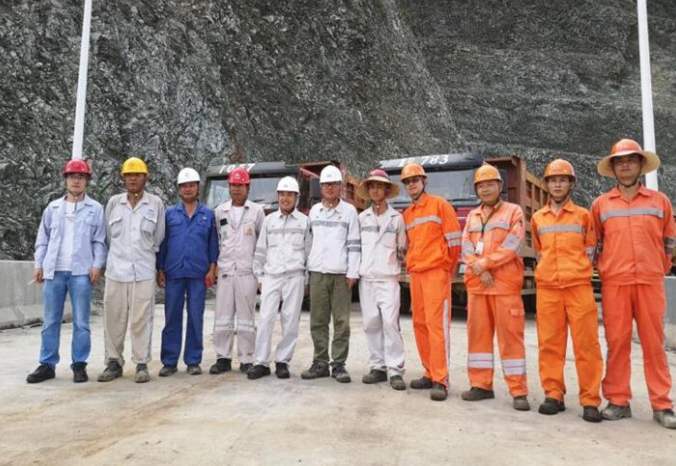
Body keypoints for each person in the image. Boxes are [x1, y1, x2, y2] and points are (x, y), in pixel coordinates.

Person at [591, 138, 676, 429]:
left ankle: (662, 404)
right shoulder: (600, 205)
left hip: (650, 281)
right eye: (620, 161)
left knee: (654, 344)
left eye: (630, 160)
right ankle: (618, 401)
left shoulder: (660, 202)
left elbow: (669, 241)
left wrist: (658, 267)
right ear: (613, 168)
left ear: (640, 165)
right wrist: (606, 269)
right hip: (615, 282)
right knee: (617, 343)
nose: (625, 165)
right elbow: (594, 243)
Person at [531, 159, 603, 422]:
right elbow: (539, 252)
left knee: (587, 346)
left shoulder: (584, 216)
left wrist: (574, 271)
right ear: (547, 185)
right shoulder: (538, 218)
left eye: (563, 180)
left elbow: (590, 250)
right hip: (548, 288)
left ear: (571, 184)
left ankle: (590, 400)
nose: (558, 184)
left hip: (578, 287)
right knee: (549, 344)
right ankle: (553, 395)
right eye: (553, 180)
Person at [27, 159, 107, 384]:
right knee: (50, 321)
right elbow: (42, 239)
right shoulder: (53, 208)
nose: (76, 181)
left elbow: (99, 241)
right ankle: (47, 364)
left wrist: (97, 265)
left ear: (87, 181)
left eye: (81, 177)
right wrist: (39, 265)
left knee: (81, 321)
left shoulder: (95, 209)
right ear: (65, 180)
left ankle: (79, 364)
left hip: (81, 272)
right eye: (72, 177)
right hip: (54, 271)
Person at [460, 164, 530, 411]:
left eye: (490, 184)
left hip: (504, 287)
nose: (485, 188)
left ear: (500, 186)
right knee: (478, 338)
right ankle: (481, 385)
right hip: (478, 286)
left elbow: (513, 244)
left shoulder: (513, 212)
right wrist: (479, 268)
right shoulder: (472, 216)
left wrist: (486, 264)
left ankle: (518, 391)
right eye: (481, 185)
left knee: (511, 339)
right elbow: (466, 246)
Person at [98, 157, 166, 383]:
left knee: (141, 319)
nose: (133, 179)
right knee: (113, 318)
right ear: (123, 178)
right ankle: (113, 362)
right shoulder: (114, 203)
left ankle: (141, 363)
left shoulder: (155, 204)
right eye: (129, 175)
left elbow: (158, 237)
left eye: (137, 175)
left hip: (143, 271)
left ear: (146, 178)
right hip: (116, 271)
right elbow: (109, 237)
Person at [401, 162, 461, 401]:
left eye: (415, 180)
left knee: (437, 326)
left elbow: (454, 241)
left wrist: (447, 268)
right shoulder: (407, 214)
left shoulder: (440, 205)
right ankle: (429, 371)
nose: (411, 184)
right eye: (407, 182)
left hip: (436, 272)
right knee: (420, 323)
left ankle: (440, 378)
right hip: (416, 274)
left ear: (424, 181)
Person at [156, 168, 218, 377]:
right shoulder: (169, 214)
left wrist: (212, 268)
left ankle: (193, 360)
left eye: (191, 185)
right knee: (172, 317)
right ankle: (169, 361)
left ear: (198, 187)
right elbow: (163, 243)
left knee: (195, 317)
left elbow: (213, 244)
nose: (188, 189)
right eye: (184, 186)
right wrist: (160, 268)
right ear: (179, 189)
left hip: (198, 274)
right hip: (174, 272)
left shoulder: (208, 215)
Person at [301, 165, 361, 383]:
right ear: (321, 187)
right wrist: (307, 273)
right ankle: (320, 363)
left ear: (340, 186)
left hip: (340, 274)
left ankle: (338, 365)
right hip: (317, 272)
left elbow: (354, 244)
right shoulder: (314, 211)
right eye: (325, 184)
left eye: (333, 184)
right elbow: (308, 243)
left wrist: (352, 272)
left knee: (342, 322)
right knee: (318, 320)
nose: (329, 188)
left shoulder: (349, 212)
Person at [248, 177, 312, 380]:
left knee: (290, 321)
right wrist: (259, 276)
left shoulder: (304, 222)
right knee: (265, 319)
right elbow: (261, 251)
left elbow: (309, 252)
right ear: (278, 196)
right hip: (271, 276)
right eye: (282, 194)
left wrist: (307, 280)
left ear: (296, 197)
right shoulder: (269, 221)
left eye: (289, 195)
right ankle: (261, 362)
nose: (285, 198)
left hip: (295, 276)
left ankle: (282, 362)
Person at [210, 167, 265, 375]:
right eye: (233, 185)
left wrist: (260, 274)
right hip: (226, 271)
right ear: (229, 187)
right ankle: (222, 357)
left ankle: (246, 358)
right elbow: (217, 241)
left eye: (240, 185)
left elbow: (262, 243)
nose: (236, 189)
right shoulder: (220, 211)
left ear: (247, 187)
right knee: (223, 317)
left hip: (246, 272)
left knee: (246, 319)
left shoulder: (256, 212)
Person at [357, 169, 407, 391]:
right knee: (370, 324)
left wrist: (402, 272)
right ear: (368, 190)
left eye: (380, 186)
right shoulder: (361, 219)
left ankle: (395, 369)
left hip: (388, 279)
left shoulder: (397, 219)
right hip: (367, 279)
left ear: (387, 190)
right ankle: (377, 367)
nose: (376, 190)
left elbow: (402, 249)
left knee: (390, 324)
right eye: (372, 186)